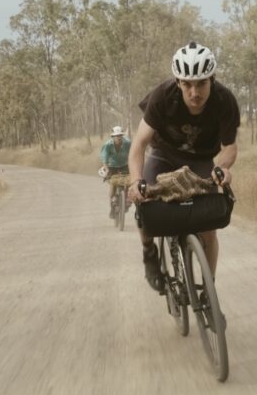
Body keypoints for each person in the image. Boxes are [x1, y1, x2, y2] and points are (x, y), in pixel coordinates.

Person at [127, 42, 239, 291]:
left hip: (201, 160)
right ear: (177, 82)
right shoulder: (162, 97)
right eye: (187, 84)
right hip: (163, 156)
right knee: (143, 202)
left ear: (212, 79)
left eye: (201, 83)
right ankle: (148, 251)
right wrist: (136, 182)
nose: (194, 92)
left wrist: (221, 168)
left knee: (209, 229)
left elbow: (230, 147)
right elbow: (139, 145)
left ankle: (209, 291)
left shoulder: (224, 100)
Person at [100, 126, 131, 218]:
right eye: (116, 136)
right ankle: (113, 202)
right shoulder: (107, 145)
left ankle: (127, 200)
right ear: (112, 136)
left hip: (125, 165)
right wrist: (106, 169)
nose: (118, 137)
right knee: (113, 184)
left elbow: (133, 154)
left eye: (120, 135)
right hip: (112, 166)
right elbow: (104, 159)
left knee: (129, 182)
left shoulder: (128, 143)